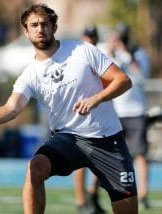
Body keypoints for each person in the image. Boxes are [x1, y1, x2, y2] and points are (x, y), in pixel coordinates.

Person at [0, 4, 137, 214]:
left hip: (107, 140)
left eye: (45, 24)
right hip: (69, 139)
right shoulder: (30, 74)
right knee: (35, 167)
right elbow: (12, 107)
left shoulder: (83, 51)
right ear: (26, 31)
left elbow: (123, 80)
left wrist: (97, 98)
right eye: (34, 25)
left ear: (54, 27)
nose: (40, 29)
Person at [104, 22, 151, 210]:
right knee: (106, 153)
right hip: (114, 110)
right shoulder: (109, 53)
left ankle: (144, 194)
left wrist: (126, 54)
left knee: (140, 154)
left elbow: (141, 77)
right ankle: (100, 192)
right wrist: (110, 50)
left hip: (135, 110)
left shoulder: (138, 53)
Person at [73, 24, 105, 214]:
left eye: (93, 37)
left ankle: (92, 194)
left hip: (99, 115)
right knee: (80, 159)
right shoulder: (75, 55)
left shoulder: (101, 56)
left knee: (100, 159)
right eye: (87, 37)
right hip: (79, 116)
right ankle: (80, 201)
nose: (90, 40)